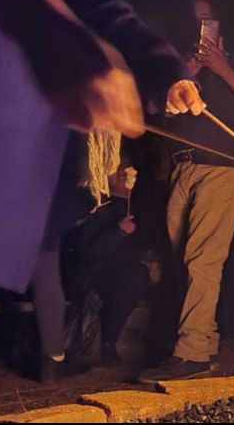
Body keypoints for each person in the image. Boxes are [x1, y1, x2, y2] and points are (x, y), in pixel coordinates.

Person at [0, 0, 204, 382]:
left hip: (13, 125)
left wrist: (161, 67)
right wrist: (55, 31)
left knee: (2, 252)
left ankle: (53, 359)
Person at [139, 0, 234, 383]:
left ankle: (191, 352)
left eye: (206, 20)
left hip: (223, 167)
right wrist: (187, 76)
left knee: (203, 259)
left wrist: (222, 67)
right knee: (185, 260)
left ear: (218, 23)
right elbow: (155, 112)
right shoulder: (180, 64)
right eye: (194, 20)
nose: (200, 27)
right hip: (183, 167)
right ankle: (205, 345)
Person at [60, 156, 153, 368]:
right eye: (116, 168)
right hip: (89, 275)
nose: (123, 172)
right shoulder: (95, 204)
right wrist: (117, 232)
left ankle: (109, 343)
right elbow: (86, 253)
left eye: (126, 168)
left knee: (137, 274)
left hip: (116, 274)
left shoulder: (137, 206)